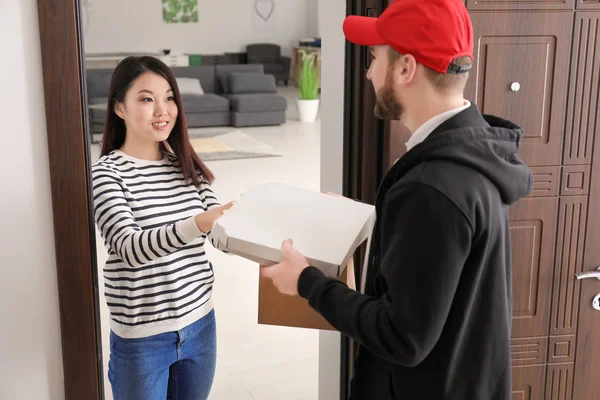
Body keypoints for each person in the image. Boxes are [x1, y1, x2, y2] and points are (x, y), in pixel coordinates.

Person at [261, 0, 533, 399]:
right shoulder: (469, 155)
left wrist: (306, 282)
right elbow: (441, 259)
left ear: (406, 68)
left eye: (373, 58)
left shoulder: (432, 187)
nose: (369, 72)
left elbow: (402, 337)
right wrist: (371, 220)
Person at [91, 56, 232, 400]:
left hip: (200, 325)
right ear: (119, 108)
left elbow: (220, 236)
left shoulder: (186, 166)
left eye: (169, 97)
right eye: (146, 98)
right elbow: (129, 248)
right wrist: (198, 224)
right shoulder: (107, 174)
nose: (162, 110)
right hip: (142, 339)